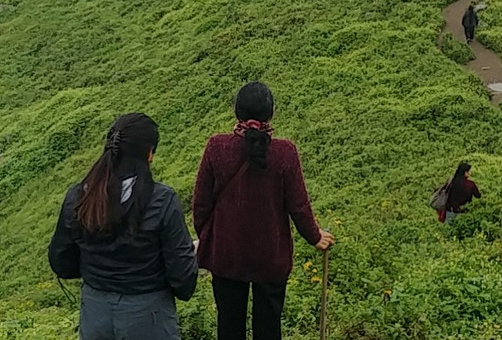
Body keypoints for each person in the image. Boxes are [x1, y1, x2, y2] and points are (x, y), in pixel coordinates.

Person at [193, 82, 334, 340]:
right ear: (271, 113)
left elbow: (200, 204)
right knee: (269, 327)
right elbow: (298, 206)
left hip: (227, 255)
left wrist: (212, 236)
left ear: (236, 112)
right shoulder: (285, 153)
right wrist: (315, 237)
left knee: (228, 325)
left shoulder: (216, 147)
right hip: (270, 256)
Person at [49, 113, 197, 340]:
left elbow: (61, 260)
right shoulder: (161, 200)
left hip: (95, 311)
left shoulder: (79, 196)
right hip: (148, 313)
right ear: (149, 154)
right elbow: (183, 276)